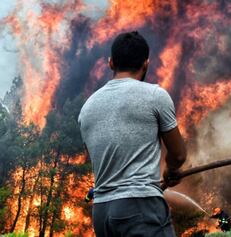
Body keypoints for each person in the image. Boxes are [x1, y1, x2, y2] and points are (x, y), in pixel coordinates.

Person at [78, 31, 187, 237]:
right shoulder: (155, 96)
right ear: (146, 64)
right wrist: (170, 170)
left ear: (111, 63)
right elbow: (179, 155)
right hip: (139, 207)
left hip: (102, 213)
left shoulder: (87, 108)